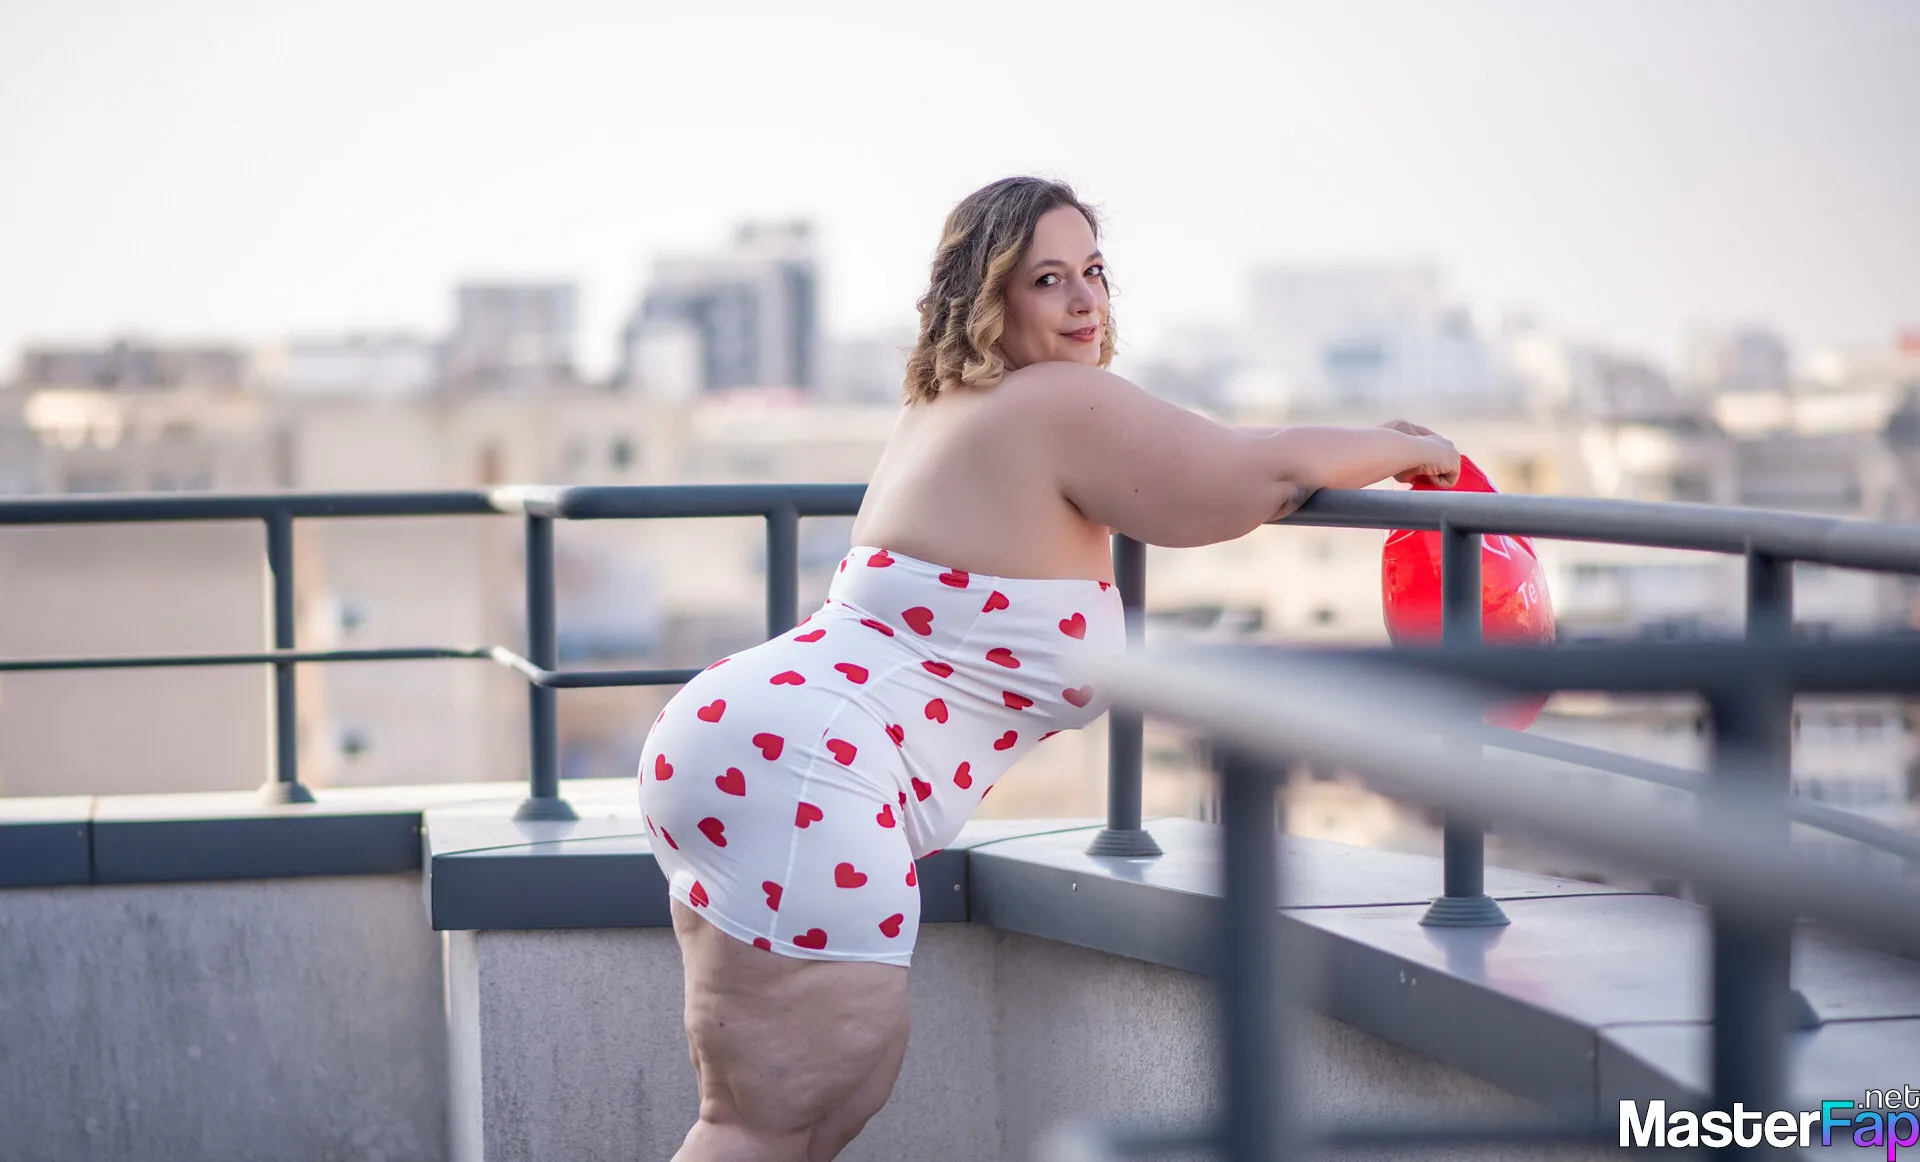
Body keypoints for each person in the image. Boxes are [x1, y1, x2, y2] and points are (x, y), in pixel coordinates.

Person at [637, 175, 1460, 1161]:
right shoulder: (1054, 401)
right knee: (774, 1124)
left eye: (1094, 272)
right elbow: (1249, 475)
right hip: (803, 765)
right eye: (1047, 279)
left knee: (797, 1117)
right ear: (988, 297)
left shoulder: (944, 406)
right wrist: (1407, 448)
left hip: (752, 744)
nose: (1084, 301)